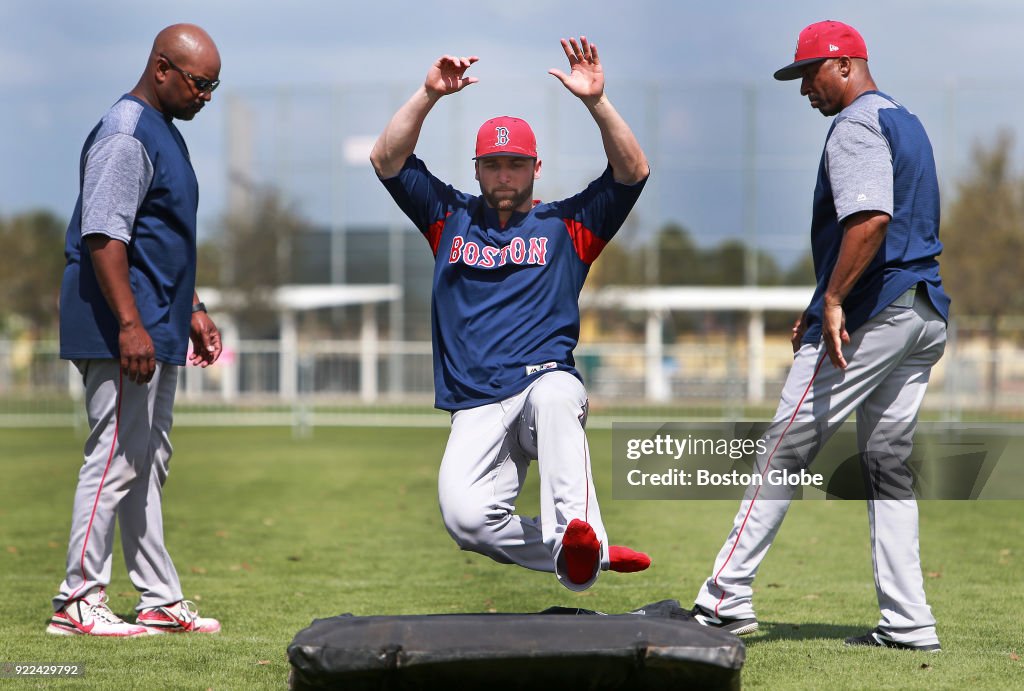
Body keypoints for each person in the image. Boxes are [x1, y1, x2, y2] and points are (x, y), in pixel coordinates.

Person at [688, 20, 949, 651]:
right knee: (888, 468)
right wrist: (822, 299)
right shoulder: (904, 120)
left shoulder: (856, 123)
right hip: (922, 313)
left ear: (843, 65)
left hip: (871, 317)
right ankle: (909, 622)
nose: (804, 89)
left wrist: (833, 299)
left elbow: (870, 219)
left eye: (808, 74)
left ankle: (725, 594)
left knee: (784, 444)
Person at [371, 37, 652, 591]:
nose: (505, 174)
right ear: (477, 169)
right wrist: (429, 94)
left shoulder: (568, 225)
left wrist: (597, 101)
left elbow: (632, 172)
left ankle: (579, 528)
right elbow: (386, 159)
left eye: (515, 164)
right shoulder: (447, 217)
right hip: (475, 403)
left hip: (540, 389)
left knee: (554, 394)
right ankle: (580, 554)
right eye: (493, 164)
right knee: (467, 520)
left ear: (535, 168)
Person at [49, 24, 224, 637]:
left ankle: (157, 598)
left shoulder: (164, 134)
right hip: (120, 325)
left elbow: (159, 239)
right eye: (200, 83)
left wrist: (194, 306)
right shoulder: (126, 134)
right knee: (116, 457)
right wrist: (130, 324)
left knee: (146, 461)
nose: (207, 95)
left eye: (214, 86)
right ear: (161, 69)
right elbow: (104, 234)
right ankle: (76, 601)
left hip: (157, 319)